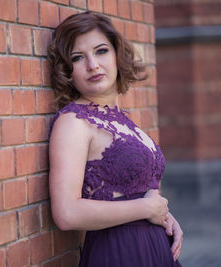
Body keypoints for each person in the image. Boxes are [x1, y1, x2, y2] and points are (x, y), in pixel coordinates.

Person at [47, 11, 183, 267]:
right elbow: (66, 213)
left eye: (101, 51)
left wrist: (165, 216)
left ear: (117, 55)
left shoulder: (123, 120)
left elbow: (138, 195)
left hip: (156, 251)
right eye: (78, 57)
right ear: (68, 70)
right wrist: (146, 210)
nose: (93, 65)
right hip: (118, 254)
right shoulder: (73, 122)